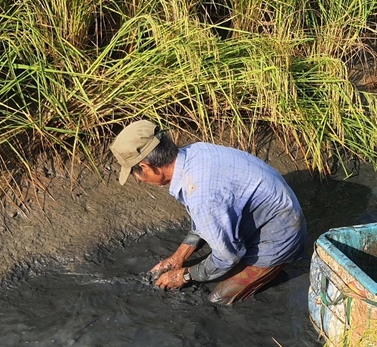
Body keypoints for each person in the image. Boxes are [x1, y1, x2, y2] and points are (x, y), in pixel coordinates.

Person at [110, 120, 307, 305]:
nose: (139, 180)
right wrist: (177, 258)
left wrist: (184, 275)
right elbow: (204, 219)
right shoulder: (194, 152)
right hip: (268, 211)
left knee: (219, 298)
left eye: (135, 174)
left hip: (280, 234)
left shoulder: (201, 195)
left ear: (146, 167)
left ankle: (275, 267)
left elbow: (227, 256)